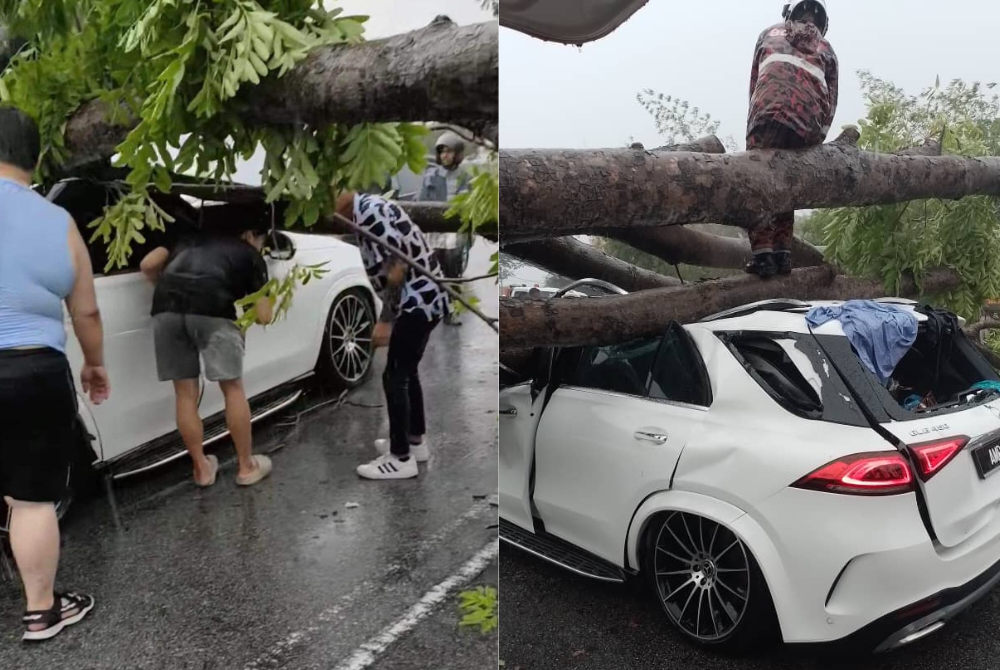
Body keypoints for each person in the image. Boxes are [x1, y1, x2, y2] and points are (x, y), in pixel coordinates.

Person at [0, 106, 109, 641]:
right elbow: (86, 311)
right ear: (34, 157)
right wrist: (94, 363)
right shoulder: (57, 221)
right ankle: (42, 612)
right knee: (31, 498)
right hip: (33, 368)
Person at [139, 226, 275, 487]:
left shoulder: (187, 236)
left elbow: (148, 265)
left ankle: (201, 468)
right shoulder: (249, 253)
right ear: (249, 234)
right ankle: (246, 467)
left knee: (184, 393)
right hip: (212, 309)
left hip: (165, 308)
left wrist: (170, 287)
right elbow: (264, 315)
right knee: (232, 388)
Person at [333, 190, 450, 480]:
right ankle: (414, 440)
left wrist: (385, 320)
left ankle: (400, 458)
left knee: (394, 376)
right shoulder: (362, 213)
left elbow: (397, 266)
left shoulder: (371, 213)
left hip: (418, 301)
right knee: (407, 371)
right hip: (425, 299)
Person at [745, 0, 838, 278]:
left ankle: (763, 255)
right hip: (807, 126)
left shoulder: (768, 33)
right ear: (821, 25)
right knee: (789, 182)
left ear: (791, 14)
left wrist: (755, 125)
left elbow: (755, 85)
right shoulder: (828, 50)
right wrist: (816, 140)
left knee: (758, 179)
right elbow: (830, 103)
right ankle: (783, 254)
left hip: (767, 114)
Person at [419, 131, 471, 325]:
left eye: (449, 152)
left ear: (457, 154)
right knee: (432, 273)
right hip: (434, 234)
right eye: (442, 152)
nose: (445, 156)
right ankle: (431, 310)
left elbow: (468, 206)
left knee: (453, 275)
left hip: (454, 235)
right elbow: (421, 202)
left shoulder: (464, 177)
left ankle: (451, 312)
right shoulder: (431, 176)